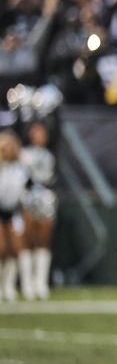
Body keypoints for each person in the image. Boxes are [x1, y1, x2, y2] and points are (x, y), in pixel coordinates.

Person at [20, 121, 57, 299]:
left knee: (43, 240)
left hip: (45, 196)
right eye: (36, 132)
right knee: (27, 239)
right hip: (28, 196)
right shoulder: (24, 154)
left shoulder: (50, 155)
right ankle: (27, 283)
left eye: (42, 133)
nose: (39, 136)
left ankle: (40, 282)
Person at [0, 131, 29, 302]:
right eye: (5, 148)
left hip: (14, 212)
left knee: (16, 249)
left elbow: (26, 190)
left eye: (11, 147)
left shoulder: (20, 170)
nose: (8, 151)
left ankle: (9, 285)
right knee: (1, 249)